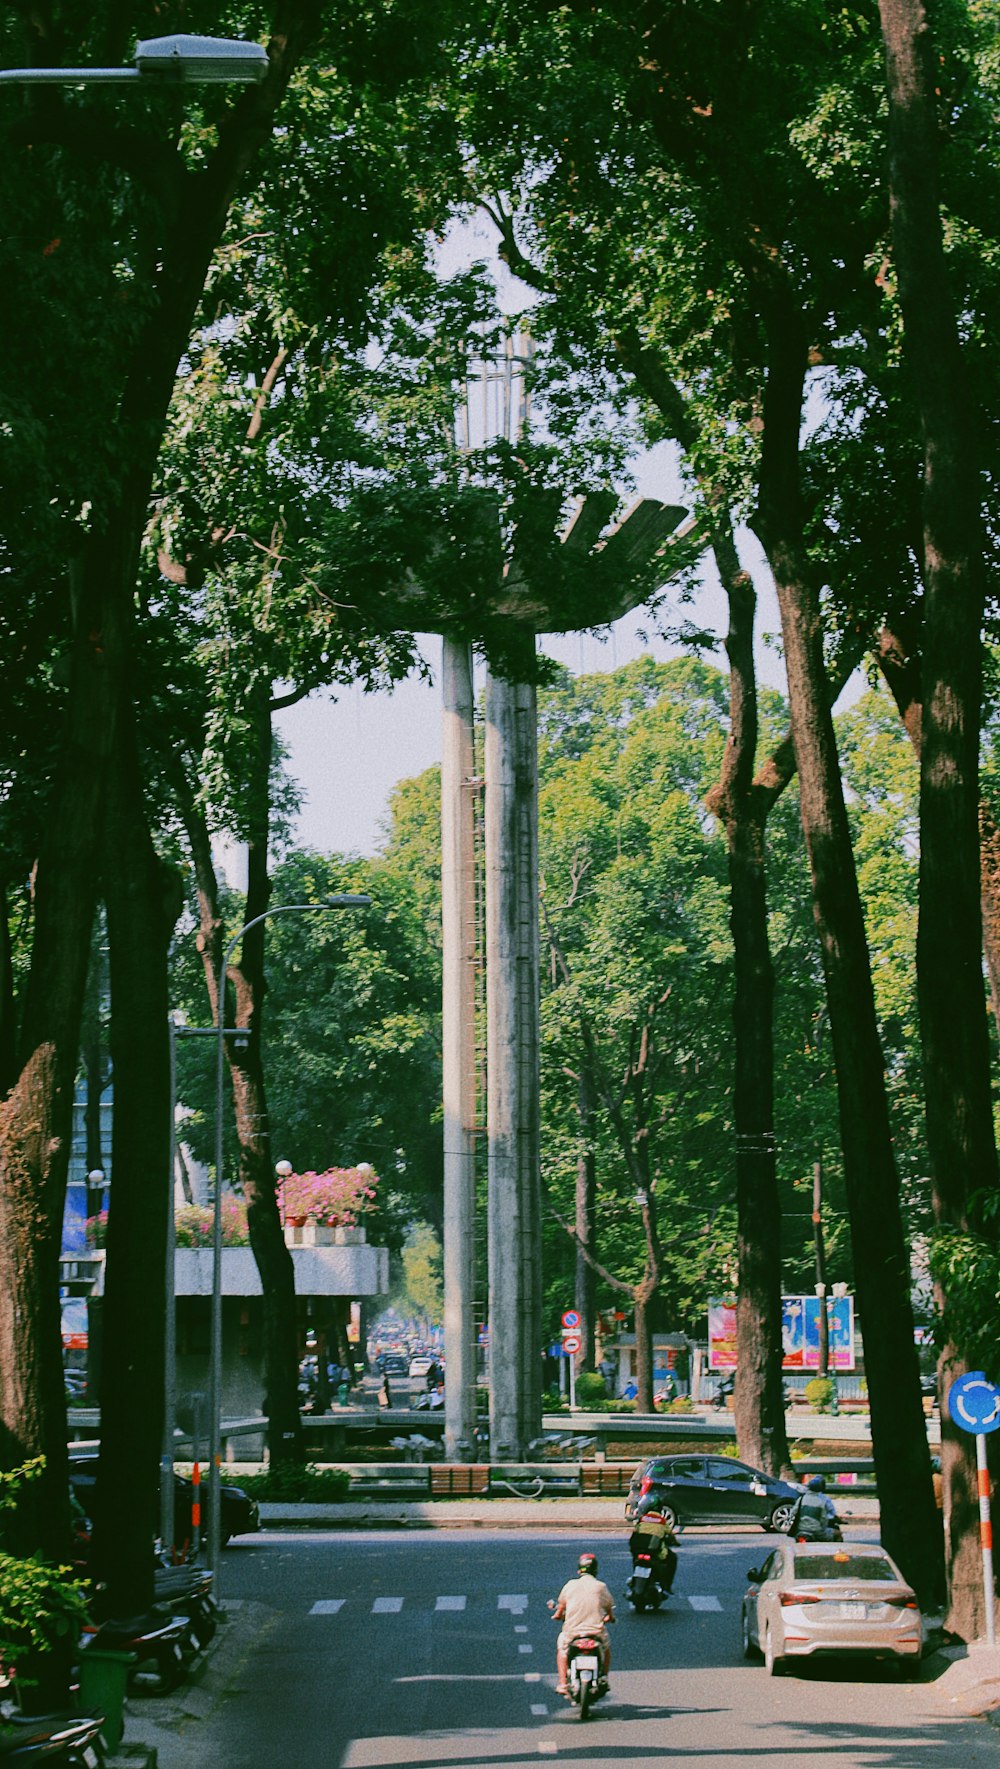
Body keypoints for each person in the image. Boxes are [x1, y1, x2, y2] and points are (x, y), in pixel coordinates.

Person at [552, 1551, 615, 1696]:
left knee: (562, 1650)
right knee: (606, 1649)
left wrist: (557, 1615)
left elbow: (560, 1609)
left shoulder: (570, 1585)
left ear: (579, 1570)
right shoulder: (601, 1586)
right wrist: (610, 1618)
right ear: (596, 1570)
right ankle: (604, 1677)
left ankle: (562, 1683)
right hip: (596, 1633)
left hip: (572, 1633)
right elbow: (609, 1609)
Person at [628, 1500, 678, 1595]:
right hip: (653, 1550)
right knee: (672, 1558)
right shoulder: (662, 1521)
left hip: (638, 1549)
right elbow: (670, 1535)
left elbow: (636, 1531)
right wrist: (675, 1542)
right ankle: (667, 1585)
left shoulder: (642, 1519)